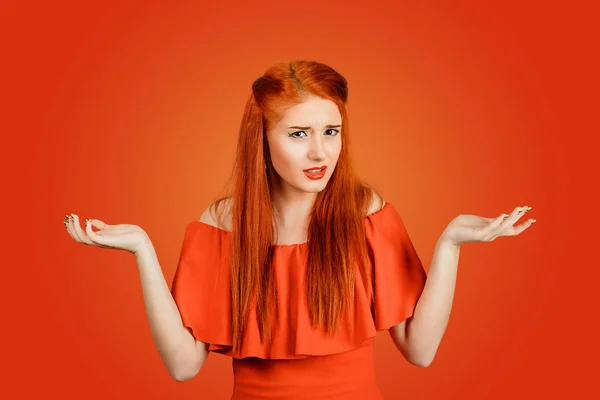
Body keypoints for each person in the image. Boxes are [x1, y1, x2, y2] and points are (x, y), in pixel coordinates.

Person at [64, 60, 536, 399]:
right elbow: (184, 367)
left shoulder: (364, 211)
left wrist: (450, 244)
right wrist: (142, 249)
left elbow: (420, 350)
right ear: (261, 140)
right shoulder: (223, 222)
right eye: (298, 134)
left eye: (331, 131)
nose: (319, 153)